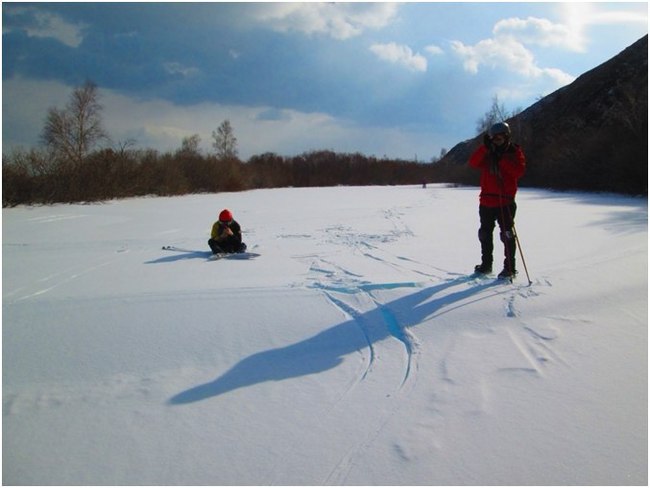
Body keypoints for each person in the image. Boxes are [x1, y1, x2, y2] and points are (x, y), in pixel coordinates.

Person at [468, 122, 526, 279]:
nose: (497, 141)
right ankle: (486, 265)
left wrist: (501, 159)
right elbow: (473, 162)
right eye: (494, 138)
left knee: (507, 235)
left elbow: (518, 172)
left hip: (505, 201)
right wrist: (485, 148)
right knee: (485, 234)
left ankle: (510, 268)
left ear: (507, 137)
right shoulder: (487, 152)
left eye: (500, 138)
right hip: (486, 201)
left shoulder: (514, 152)